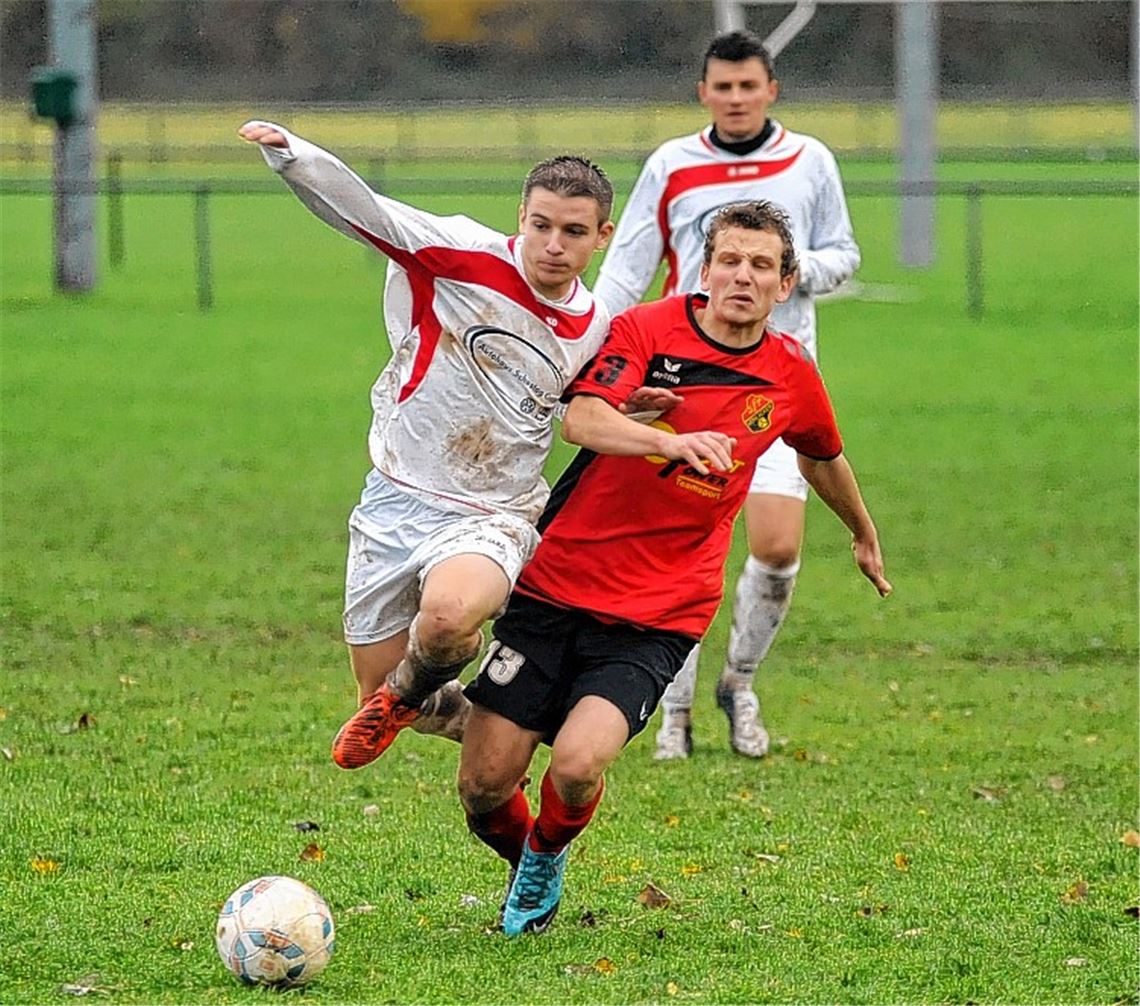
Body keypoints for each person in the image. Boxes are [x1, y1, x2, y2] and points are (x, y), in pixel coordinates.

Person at [240, 120, 734, 770]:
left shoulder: (597, 327)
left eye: (574, 232)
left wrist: (628, 405)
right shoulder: (459, 252)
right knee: (385, 694)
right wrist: (291, 156)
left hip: (492, 514)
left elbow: (575, 400)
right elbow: (365, 210)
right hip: (392, 500)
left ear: (601, 237)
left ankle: (444, 704)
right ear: (521, 218)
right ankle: (486, 727)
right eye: (542, 225)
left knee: (446, 619)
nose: (553, 245)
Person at [458, 201, 890, 936]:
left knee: (576, 764)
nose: (742, 277)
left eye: (761, 266)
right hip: (556, 584)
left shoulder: (789, 373)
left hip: (659, 609)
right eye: (729, 260)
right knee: (483, 787)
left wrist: (863, 534)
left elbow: (821, 454)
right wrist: (670, 442)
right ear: (705, 267)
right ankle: (530, 847)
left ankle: (544, 860)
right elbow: (583, 418)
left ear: (786, 285)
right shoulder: (647, 330)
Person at [593, 30, 862, 761]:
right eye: (724, 87)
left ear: (771, 90)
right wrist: (588, 346)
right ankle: (671, 706)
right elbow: (627, 266)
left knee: (776, 549)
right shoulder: (672, 165)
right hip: (684, 388)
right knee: (677, 552)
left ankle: (738, 683)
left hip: (776, 387)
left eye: (750, 87)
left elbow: (845, 251)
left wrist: (797, 275)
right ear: (703, 92)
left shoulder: (811, 161)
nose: (737, 99)